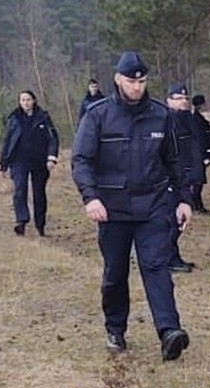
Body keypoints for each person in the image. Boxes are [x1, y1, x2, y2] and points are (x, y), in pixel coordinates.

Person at [72, 51, 193, 361]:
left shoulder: (160, 115)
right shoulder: (98, 115)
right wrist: (90, 197)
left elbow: (174, 161)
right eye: (131, 81)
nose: (137, 87)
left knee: (156, 267)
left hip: (153, 206)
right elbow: (81, 160)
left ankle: (169, 331)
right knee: (116, 271)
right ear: (117, 80)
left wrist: (182, 199)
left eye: (142, 81)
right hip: (112, 209)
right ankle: (116, 328)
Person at [0, 90, 60, 237]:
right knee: (20, 189)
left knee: (39, 194)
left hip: (39, 160)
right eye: (22, 100)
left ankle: (40, 225)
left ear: (34, 101)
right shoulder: (14, 118)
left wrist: (51, 157)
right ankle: (21, 221)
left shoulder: (43, 117)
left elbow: (53, 139)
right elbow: (7, 141)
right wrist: (3, 163)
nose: (25, 103)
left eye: (28, 100)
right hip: (19, 160)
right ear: (19, 102)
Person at [165, 83, 202, 273]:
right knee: (173, 221)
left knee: (180, 220)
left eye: (185, 99)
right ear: (169, 100)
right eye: (179, 99)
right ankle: (168, 259)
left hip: (188, 174)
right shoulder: (167, 122)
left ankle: (172, 256)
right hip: (174, 178)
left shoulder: (189, 119)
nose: (184, 102)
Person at [191, 94, 210, 214]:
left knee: (198, 181)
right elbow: (200, 139)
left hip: (199, 155)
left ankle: (196, 205)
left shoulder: (198, 118)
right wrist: (205, 155)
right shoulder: (196, 120)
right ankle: (197, 207)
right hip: (199, 155)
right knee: (197, 182)